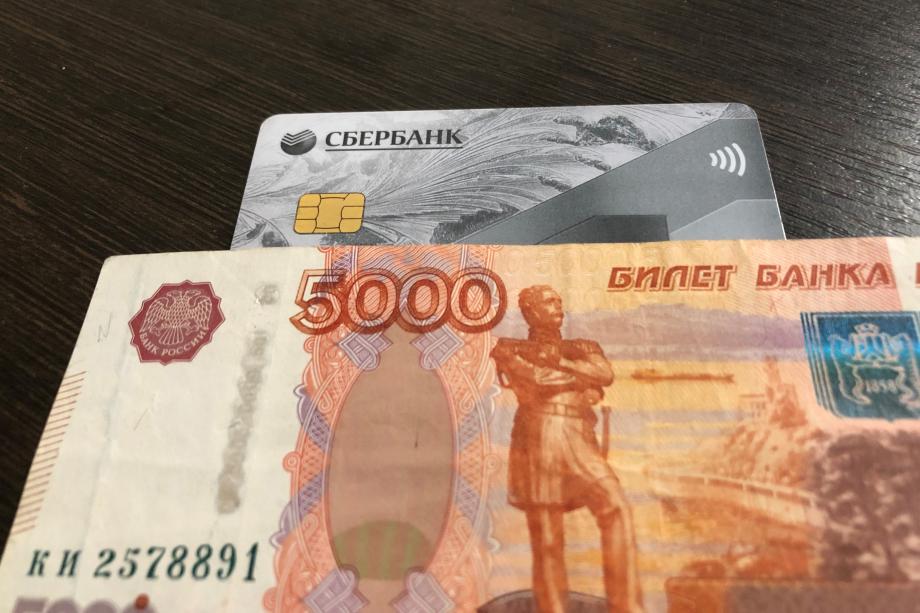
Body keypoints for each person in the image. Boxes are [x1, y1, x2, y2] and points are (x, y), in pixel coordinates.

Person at [491, 285, 643, 613]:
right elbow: (535, 379)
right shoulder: (509, 348)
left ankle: (627, 606)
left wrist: (560, 362)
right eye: (549, 302)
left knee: (616, 506)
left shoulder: (583, 346)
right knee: (547, 536)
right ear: (530, 311)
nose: (558, 306)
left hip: (579, 434)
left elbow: (604, 374)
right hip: (539, 435)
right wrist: (580, 381)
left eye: (559, 301)